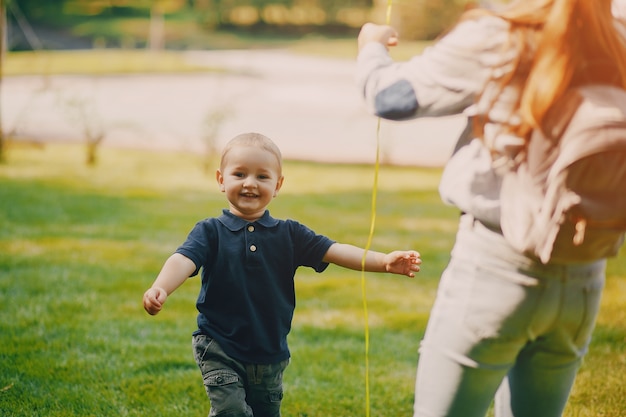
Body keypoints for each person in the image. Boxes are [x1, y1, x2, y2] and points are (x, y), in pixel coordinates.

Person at [355, 0, 626, 416]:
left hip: (496, 269)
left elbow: (390, 97)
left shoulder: (500, 33)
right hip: (585, 275)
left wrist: (372, 47)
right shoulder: (617, 29)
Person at [142, 132, 421, 417]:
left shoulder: (290, 234)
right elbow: (183, 259)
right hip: (219, 345)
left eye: (262, 176)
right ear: (220, 180)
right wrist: (161, 287)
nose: (250, 183)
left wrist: (383, 261)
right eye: (239, 174)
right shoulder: (210, 231)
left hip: (270, 354)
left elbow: (335, 250)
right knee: (232, 411)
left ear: (278, 185)